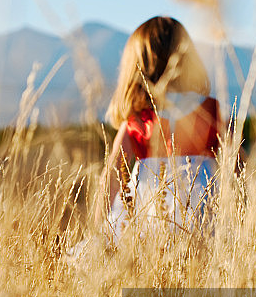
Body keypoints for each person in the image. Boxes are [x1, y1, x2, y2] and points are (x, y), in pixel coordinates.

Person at [95, 16, 223, 243]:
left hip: (148, 218)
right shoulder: (211, 111)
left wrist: (97, 230)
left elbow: (112, 177)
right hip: (203, 217)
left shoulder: (137, 121)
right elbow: (241, 167)